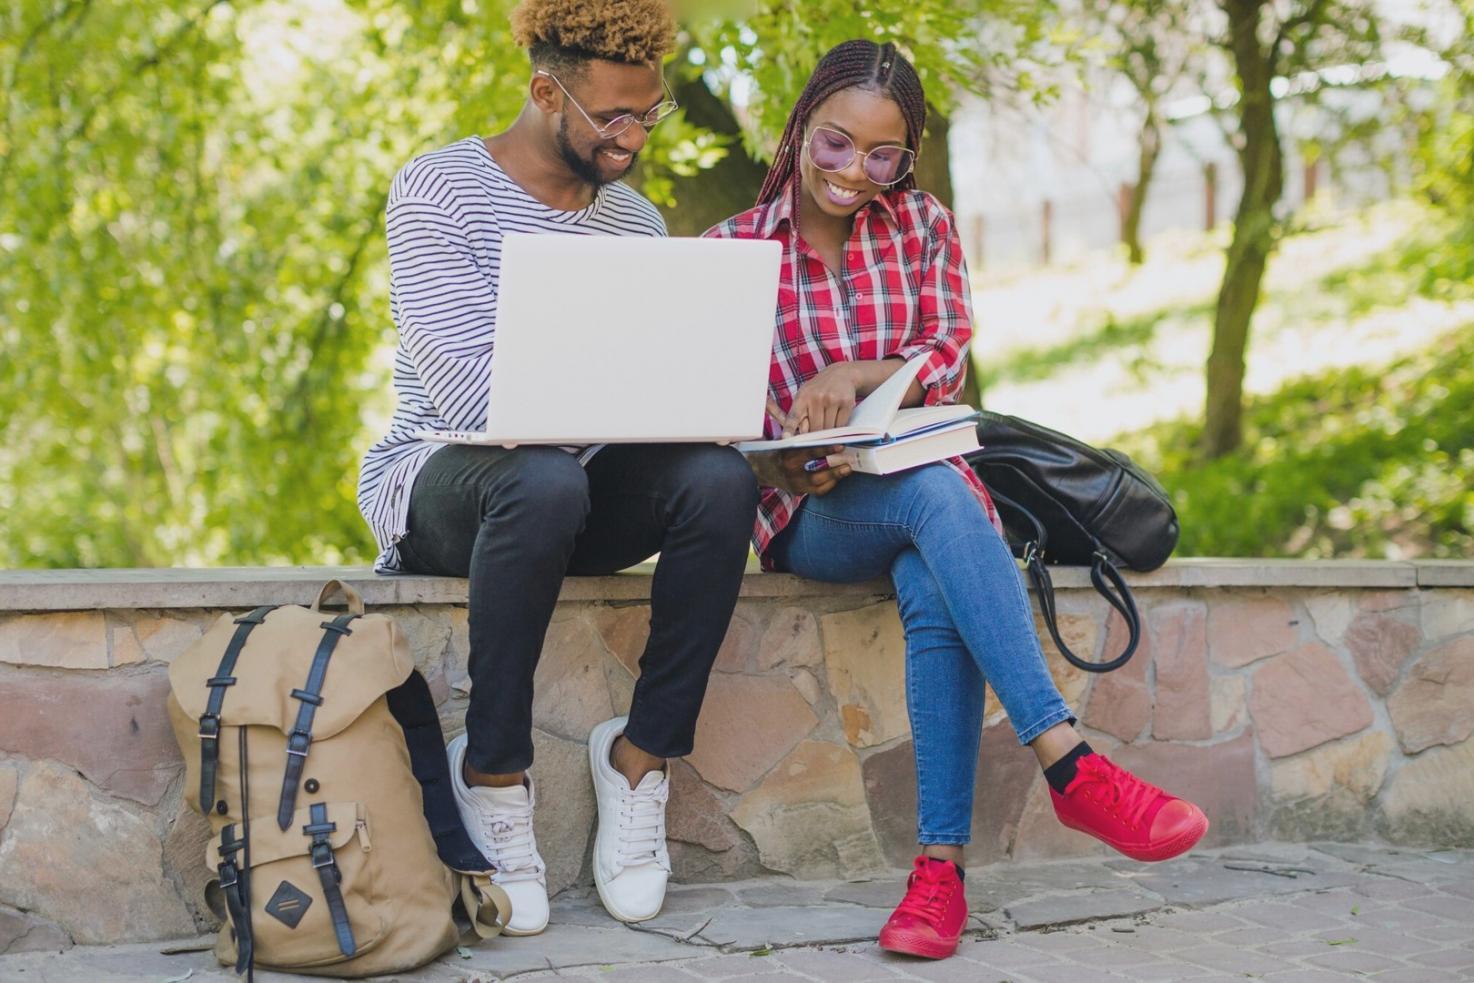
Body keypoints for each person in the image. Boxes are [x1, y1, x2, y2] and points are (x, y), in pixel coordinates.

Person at [707, 39, 1209, 961]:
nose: (857, 171)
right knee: (940, 498)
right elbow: (704, 428)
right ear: (801, 127)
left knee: (933, 550)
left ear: (909, 155)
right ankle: (1071, 764)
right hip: (808, 517)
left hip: (923, 494)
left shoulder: (924, 225)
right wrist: (784, 463)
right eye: (835, 144)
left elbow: (948, 355)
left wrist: (857, 372)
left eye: (883, 154)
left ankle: (939, 875)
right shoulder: (729, 251)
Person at [356, 0, 758, 934]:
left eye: (647, 114)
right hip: (443, 478)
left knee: (717, 480)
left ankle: (642, 760)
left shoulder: (636, 223)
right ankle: (492, 772)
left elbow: (641, 397)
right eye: (613, 116)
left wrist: (694, 413)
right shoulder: (439, 190)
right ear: (547, 93)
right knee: (544, 475)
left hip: (572, 485)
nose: (634, 136)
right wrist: (603, 412)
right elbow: (457, 393)